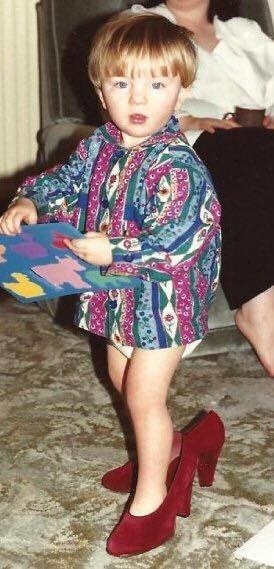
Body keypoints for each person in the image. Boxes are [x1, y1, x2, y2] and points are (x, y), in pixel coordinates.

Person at [0, 13, 225, 556]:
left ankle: (154, 496)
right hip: (113, 297)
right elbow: (65, 180)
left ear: (181, 89)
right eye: (122, 82)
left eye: (157, 82)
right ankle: (179, 445)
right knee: (122, 379)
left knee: (145, 396)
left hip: (163, 300)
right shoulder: (103, 143)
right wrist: (31, 199)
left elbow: (181, 237)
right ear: (101, 90)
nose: (138, 97)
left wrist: (117, 248)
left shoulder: (179, 167)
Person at [131, 0, 274, 378]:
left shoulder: (245, 32)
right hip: (187, 145)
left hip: (260, 144)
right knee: (246, 152)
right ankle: (258, 310)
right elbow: (132, 99)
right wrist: (193, 118)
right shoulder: (143, 24)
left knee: (258, 148)